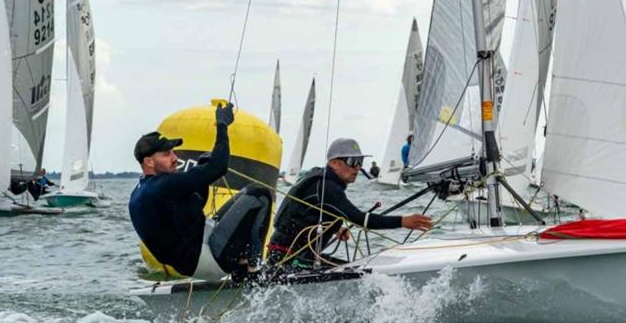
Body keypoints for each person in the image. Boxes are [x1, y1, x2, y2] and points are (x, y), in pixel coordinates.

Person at [128, 103, 268, 281]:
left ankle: (243, 264)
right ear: (148, 162)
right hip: (207, 260)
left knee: (246, 193)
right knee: (260, 195)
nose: (175, 158)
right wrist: (222, 125)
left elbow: (193, 205)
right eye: (166, 154)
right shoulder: (162, 186)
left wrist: (201, 169)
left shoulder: (143, 190)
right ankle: (254, 273)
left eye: (173, 152)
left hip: (196, 252)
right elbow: (219, 167)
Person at [267, 138, 433, 271]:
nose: (358, 168)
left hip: (288, 257)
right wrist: (403, 222)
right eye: (353, 161)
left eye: (360, 162)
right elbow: (361, 219)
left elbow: (305, 211)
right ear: (335, 163)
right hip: (287, 261)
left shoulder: (322, 180)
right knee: (360, 273)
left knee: (354, 269)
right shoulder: (327, 186)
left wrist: (334, 226)